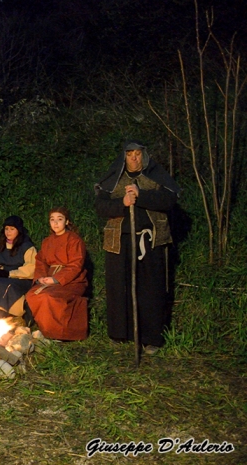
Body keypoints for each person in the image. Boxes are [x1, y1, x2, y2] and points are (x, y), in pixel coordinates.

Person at [95, 141, 180, 354]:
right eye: (130, 154)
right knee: (119, 287)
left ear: (144, 156)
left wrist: (142, 195)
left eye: (138, 154)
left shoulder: (156, 176)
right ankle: (120, 333)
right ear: (123, 157)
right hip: (119, 241)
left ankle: (151, 338)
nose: (134, 158)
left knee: (151, 289)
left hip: (150, 241)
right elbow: (100, 206)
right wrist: (122, 203)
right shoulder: (113, 179)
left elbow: (169, 200)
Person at [26, 207, 88, 341]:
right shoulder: (47, 241)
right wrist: (40, 278)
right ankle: (45, 329)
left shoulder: (74, 240)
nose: (55, 223)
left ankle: (59, 333)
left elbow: (76, 265)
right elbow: (41, 261)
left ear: (67, 222)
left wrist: (56, 279)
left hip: (72, 281)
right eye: (52, 220)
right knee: (32, 295)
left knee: (49, 296)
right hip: (49, 278)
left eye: (59, 219)